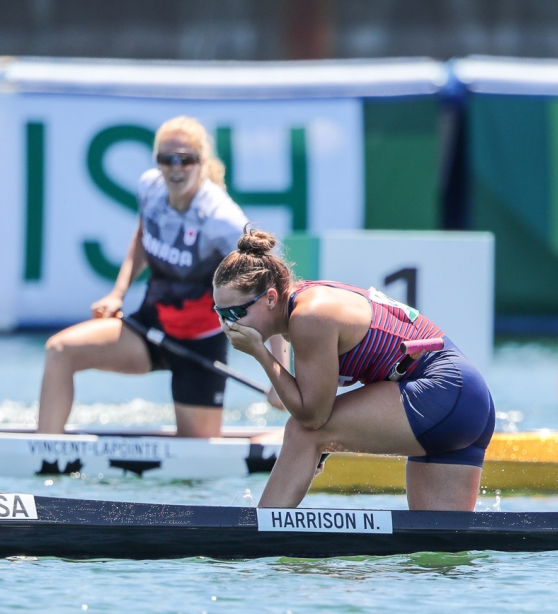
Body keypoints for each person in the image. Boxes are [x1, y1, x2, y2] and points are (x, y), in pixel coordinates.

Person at [211, 228, 496, 511]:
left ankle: (262, 533)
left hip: (443, 394)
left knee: (302, 432)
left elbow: (312, 418)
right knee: (438, 547)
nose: (227, 325)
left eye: (235, 314)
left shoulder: (310, 317)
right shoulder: (303, 302)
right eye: (220, 313)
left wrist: (260, 354)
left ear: (270, 298)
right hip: (464, 401)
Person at [37, 116, 251, 438]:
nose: (176, 168)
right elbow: (142, 235)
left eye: (186, 159)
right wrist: (117, 293)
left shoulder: (222, 219)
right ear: (157, 161)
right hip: (150, 329)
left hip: (200, 346)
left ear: (201, 162)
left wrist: (278, 374)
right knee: (60, 350)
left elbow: (269, 286)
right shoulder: (150, 187)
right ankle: (44, 450)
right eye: (167, 159)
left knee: (197, 461)